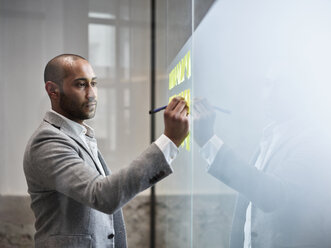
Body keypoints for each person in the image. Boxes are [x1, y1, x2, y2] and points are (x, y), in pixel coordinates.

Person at [23, 54, 189, 248]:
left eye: (94, 83)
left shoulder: (79, 135)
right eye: (80, 85)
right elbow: (102, 195)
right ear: (53, 90)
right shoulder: (47, 141)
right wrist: (169, 140)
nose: (92, 93)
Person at [193, 68, 331, 247]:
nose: (270, 93)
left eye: (281, 85)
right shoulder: (270, 137)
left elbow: (271, 194)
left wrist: (208, 141)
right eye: (268, 84)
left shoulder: (314, 140)